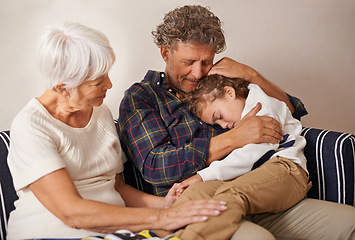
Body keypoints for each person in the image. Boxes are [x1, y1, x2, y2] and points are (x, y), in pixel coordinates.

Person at [118, 5, 355, 240]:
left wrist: (252, 76)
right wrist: (236, 137)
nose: (199, 73)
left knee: (349, 223)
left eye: (206, 62)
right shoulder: (143, 97)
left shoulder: (219, 83)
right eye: (189, 62)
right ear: (166, 54)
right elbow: (155, 167)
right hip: (206, 202)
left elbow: (289, 113)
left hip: (261, 191)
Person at [6, 22, 227, 240]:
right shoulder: (31, 126)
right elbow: (71, 213)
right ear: (63, 87)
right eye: (98, 81)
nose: (110, 85)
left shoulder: (100, 113)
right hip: (49, 234)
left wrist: (164, 205)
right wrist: (163, 219)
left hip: (113, 233)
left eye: (107, 74)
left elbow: (117, 187)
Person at [159, 74, 311, 240]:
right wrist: (198, 182)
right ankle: (157, 235)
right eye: (216, 124)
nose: (223, 125)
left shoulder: (263, 107)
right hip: (256, 174)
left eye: (219, 117)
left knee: (230, 194)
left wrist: (203, 176)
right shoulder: (244, 120)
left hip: (287, 170)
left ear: (230, 93)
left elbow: (252, 154)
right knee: (196, 191)